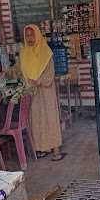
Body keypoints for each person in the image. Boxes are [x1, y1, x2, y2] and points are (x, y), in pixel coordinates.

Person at [20, 24, 65, 161]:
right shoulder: (24, 53)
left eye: (32, 34)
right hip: (32, 92)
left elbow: (50, 75)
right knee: (37, 121)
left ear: (38, 35)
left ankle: (56, 150)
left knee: (50, 119)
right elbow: (20, 70)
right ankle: (41, 148)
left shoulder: (46, 52)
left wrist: (38, 81)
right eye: (27, 35)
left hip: (46, 91)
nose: (29, 38)